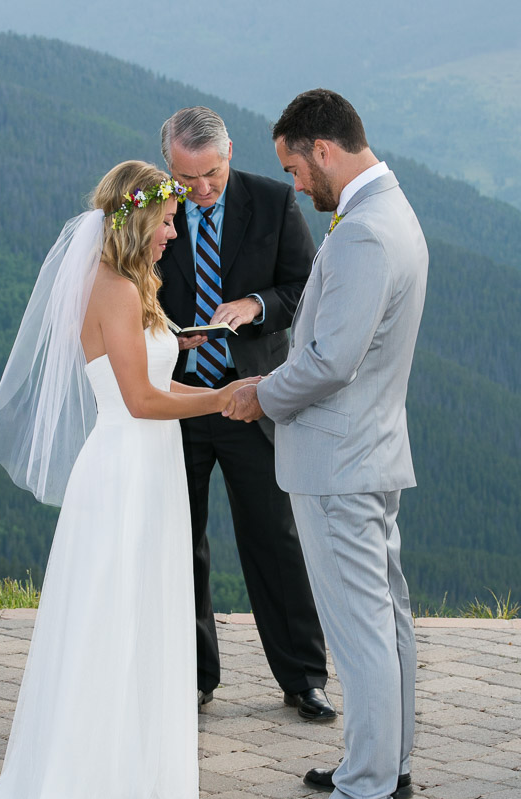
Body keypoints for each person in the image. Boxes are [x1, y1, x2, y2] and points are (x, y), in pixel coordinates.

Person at [0, 161, 255, 799]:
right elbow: (140, 401)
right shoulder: (115, 288)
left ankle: (125, 769)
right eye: (168, 221)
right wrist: (224, 397)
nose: (174, 233)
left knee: (140, 611)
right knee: (110, 614)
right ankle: (83, 777)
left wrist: (204, 378)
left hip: (149, 465)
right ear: (139, 217)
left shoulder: (132, 285)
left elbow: (155, 385)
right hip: (125, 468)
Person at [225, 89, 428, 799]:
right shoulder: (389, 211)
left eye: (294, 167)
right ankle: (386, 763)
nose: (295, 183)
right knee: (387, 618)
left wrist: (259, 393)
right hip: (369, 449)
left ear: (324, 149)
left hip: (339, 460)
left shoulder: (365, 231)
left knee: (361, 631)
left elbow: (331, 361)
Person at [157, 107, 335, 720]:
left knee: (274, 539)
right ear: (168, 166)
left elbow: (306, 288)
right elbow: (128, 287)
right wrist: (166, 334)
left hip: (252, 399)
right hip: (175, 401)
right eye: (187, 179)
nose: (201, 188)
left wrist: (254, 305)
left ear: (229, 151)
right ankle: (193, 678)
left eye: (211, 173)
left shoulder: (274, 201)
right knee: (179, 541)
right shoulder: (151, 208)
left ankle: (303, 678)